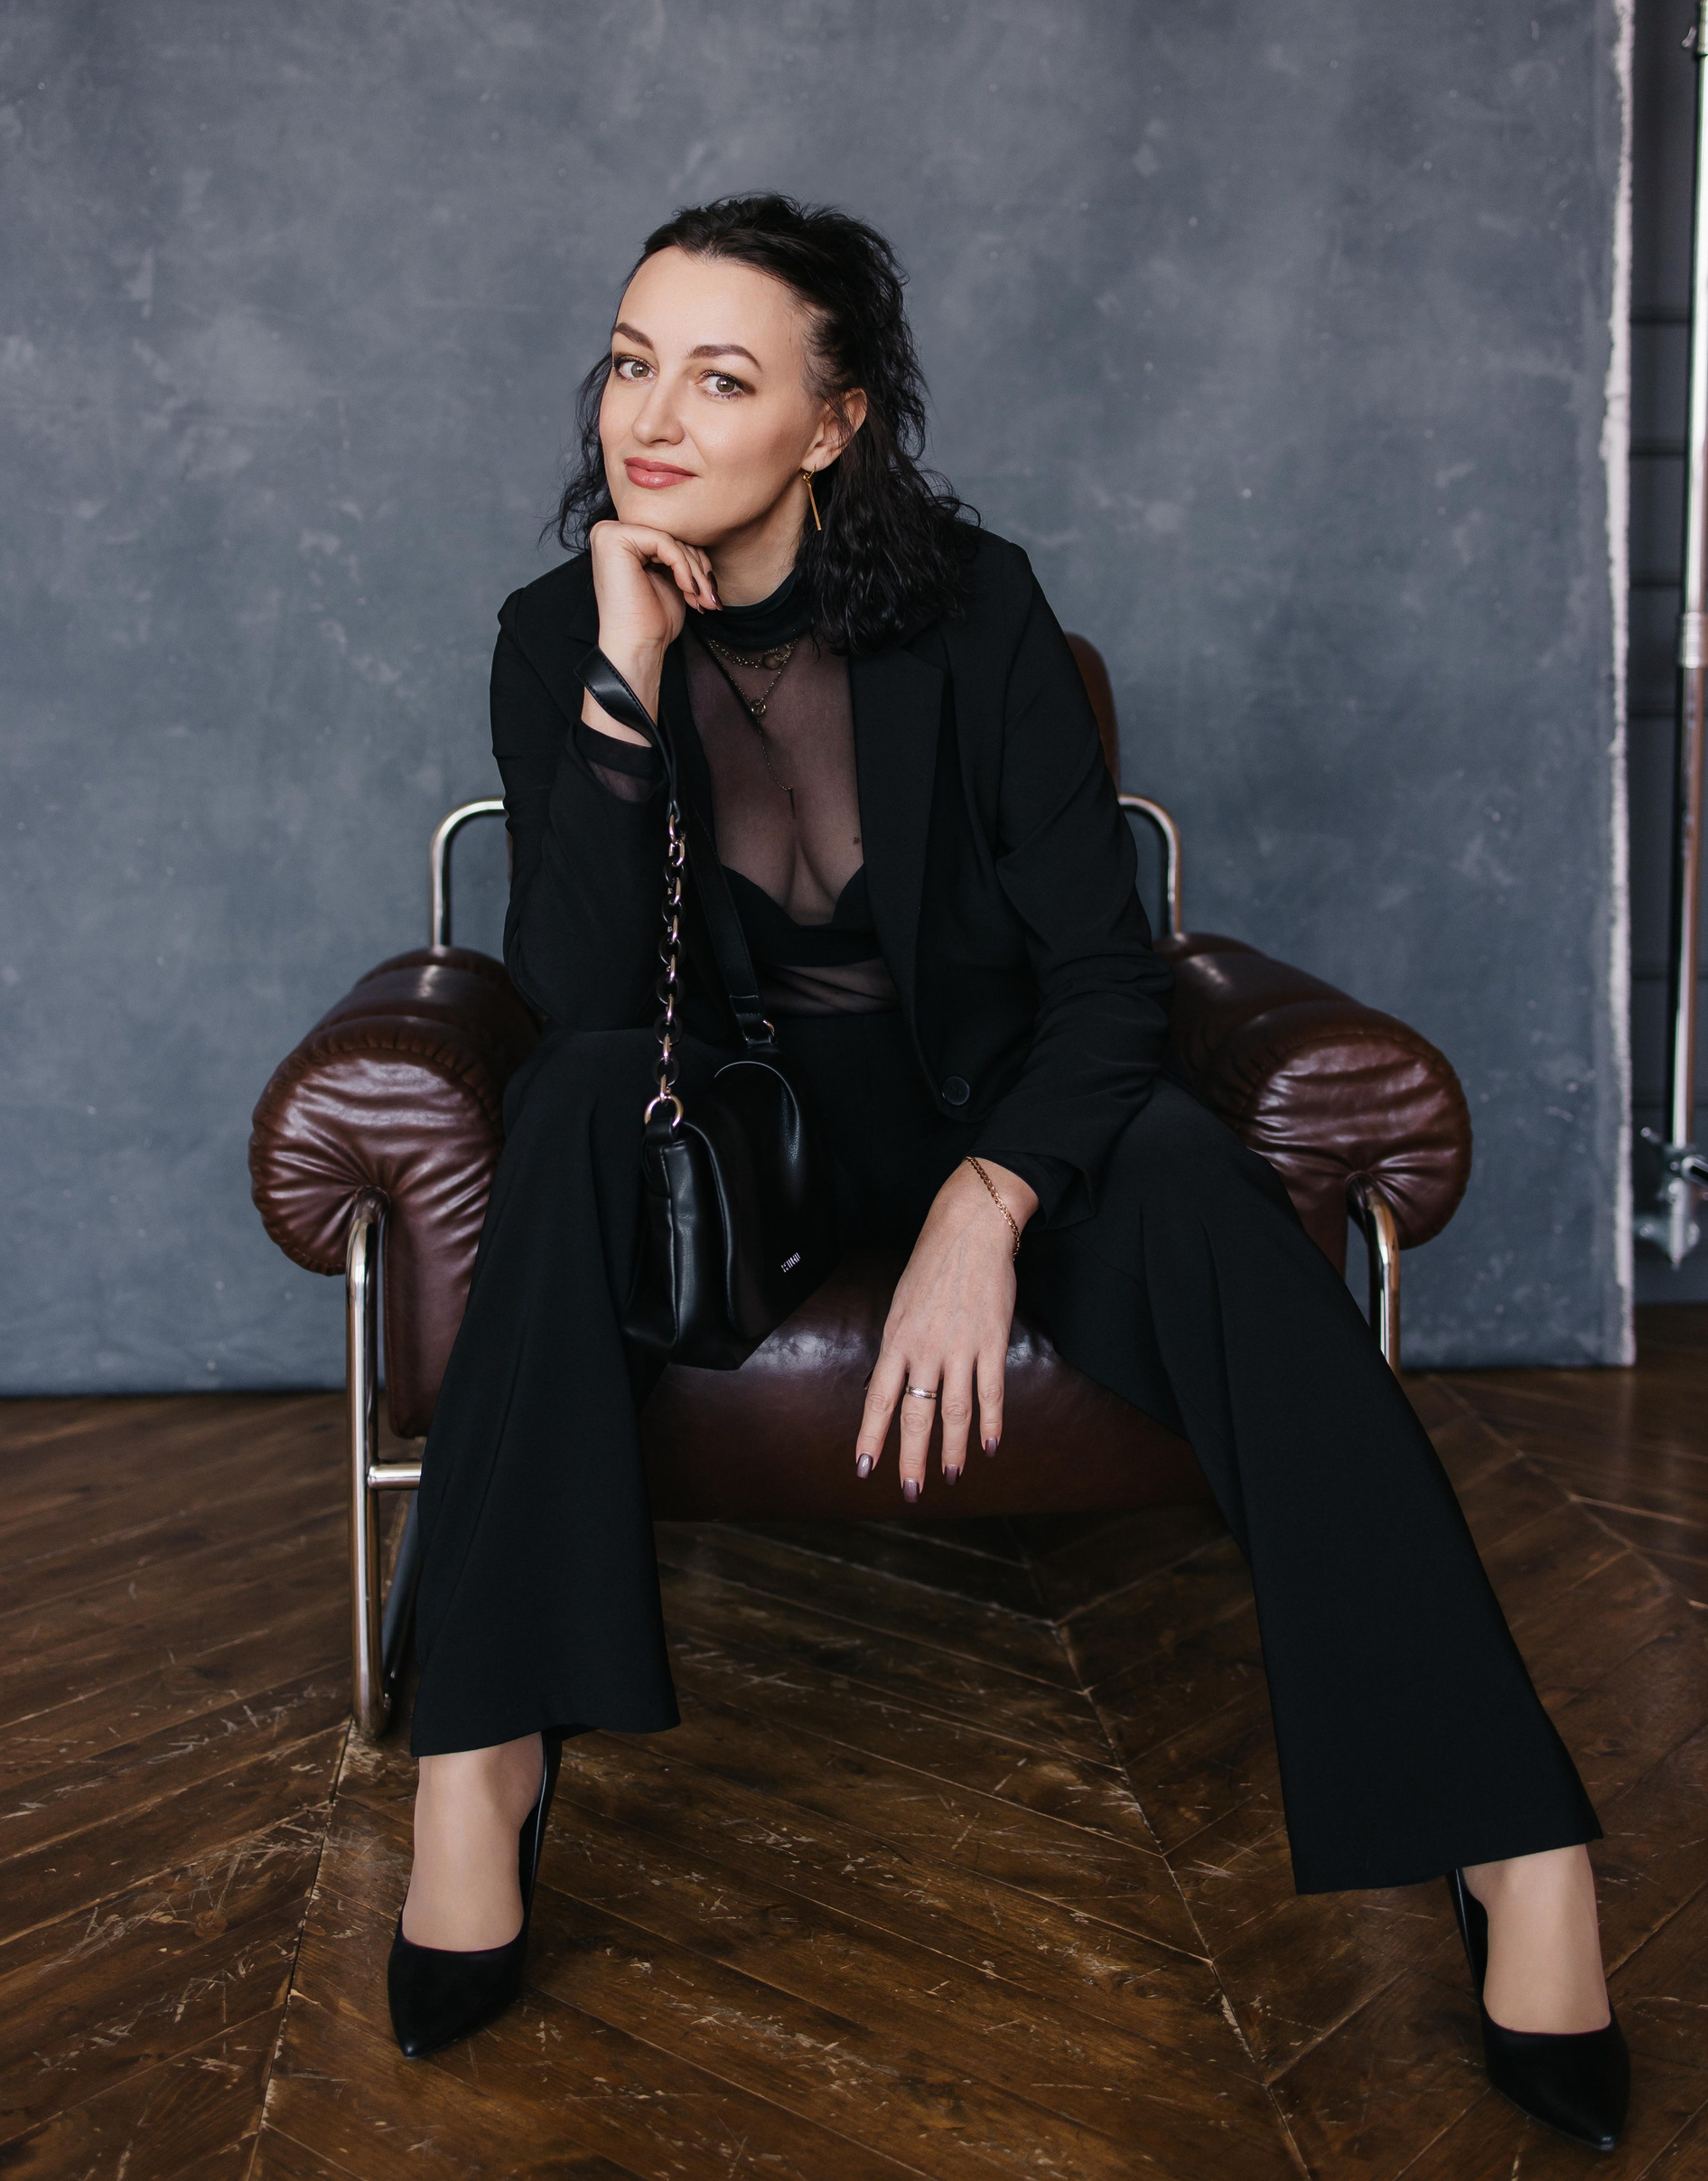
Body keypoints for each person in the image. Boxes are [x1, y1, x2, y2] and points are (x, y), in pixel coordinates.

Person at [387, 193, 1628, 2152]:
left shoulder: (977, 611)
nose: (654, 415)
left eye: (722, 376)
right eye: (632, 363)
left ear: (832, 423)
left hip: (999, 1114)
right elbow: (578, 999)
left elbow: (1107, 977)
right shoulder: (560, 635)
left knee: (1205, 1193)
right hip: (738, 1147)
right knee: (567, 1103)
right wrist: (626, 682)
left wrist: (988, 1201)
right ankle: (481, 1760)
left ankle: (1509, 1838)